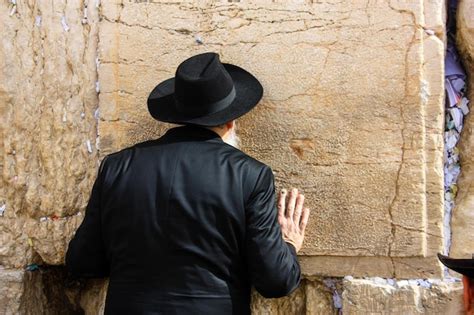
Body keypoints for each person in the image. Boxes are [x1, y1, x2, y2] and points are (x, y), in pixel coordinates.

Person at [66, 52, 310, 314]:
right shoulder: (250, 175)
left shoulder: (116, 167)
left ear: (176, 114)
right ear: (231, 121)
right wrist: (288, 244)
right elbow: (275, 281)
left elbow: (82, 262)